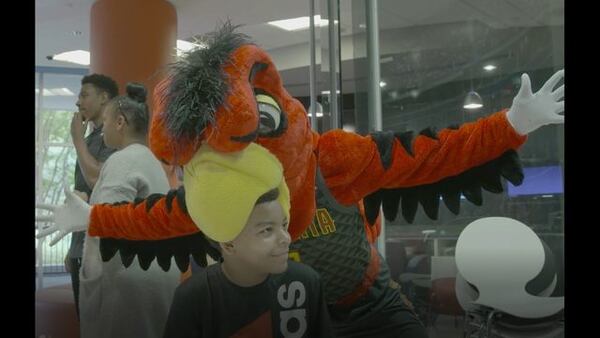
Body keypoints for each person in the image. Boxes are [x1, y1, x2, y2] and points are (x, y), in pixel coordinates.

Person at [37, 24, 564, 338]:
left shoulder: (332, 157)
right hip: (288, 317)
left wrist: (512, 126)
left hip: (370, 306)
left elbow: (428, 154)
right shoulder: (221, 196)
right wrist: (94, 217)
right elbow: (158, 219)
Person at [162, 142, 333, 338]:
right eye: (267, 230)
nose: (285, 238)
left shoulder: (307, 283)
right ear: (228, 242)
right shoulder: (195, 298)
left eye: (283, 225)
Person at [78, 83, 180, 338]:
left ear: (120, 122)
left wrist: (82, 215)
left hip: (124, 286)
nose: (102, 133)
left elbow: (109, 220)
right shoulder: (151, 161)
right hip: (154, 277)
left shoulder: (123, 159)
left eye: (105, 123)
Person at [66, 73, 118, 319]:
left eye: (85, 95)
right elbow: (82, 195)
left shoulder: (114, 138)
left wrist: (77, 140)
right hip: (82, 249)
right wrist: (73, 249)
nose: (78, 102)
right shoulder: (90, 139)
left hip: (102, 249)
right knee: (86, 324)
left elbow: (98, 180)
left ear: (104, 97)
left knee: (102, 324)